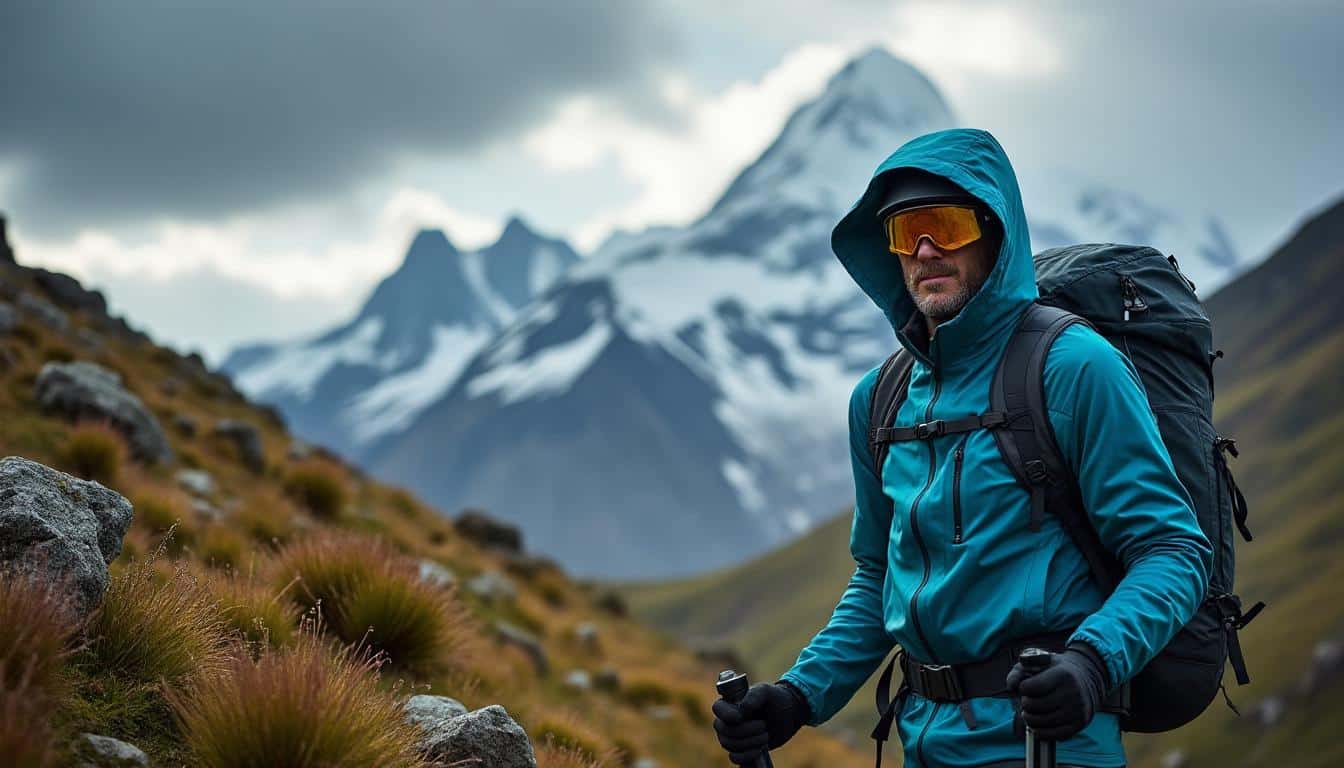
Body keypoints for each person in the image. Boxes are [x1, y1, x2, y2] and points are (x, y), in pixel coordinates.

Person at [711, 127, 1212, 767]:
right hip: (921, 740)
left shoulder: (1076, 366)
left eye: (946, 226)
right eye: (903, 232)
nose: (925, 250)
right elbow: (880, 578)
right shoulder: (880, 397)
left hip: (1051, 745)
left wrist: (1090, 665)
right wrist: (797, 696)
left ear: (994, 233)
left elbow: (1172, 550)